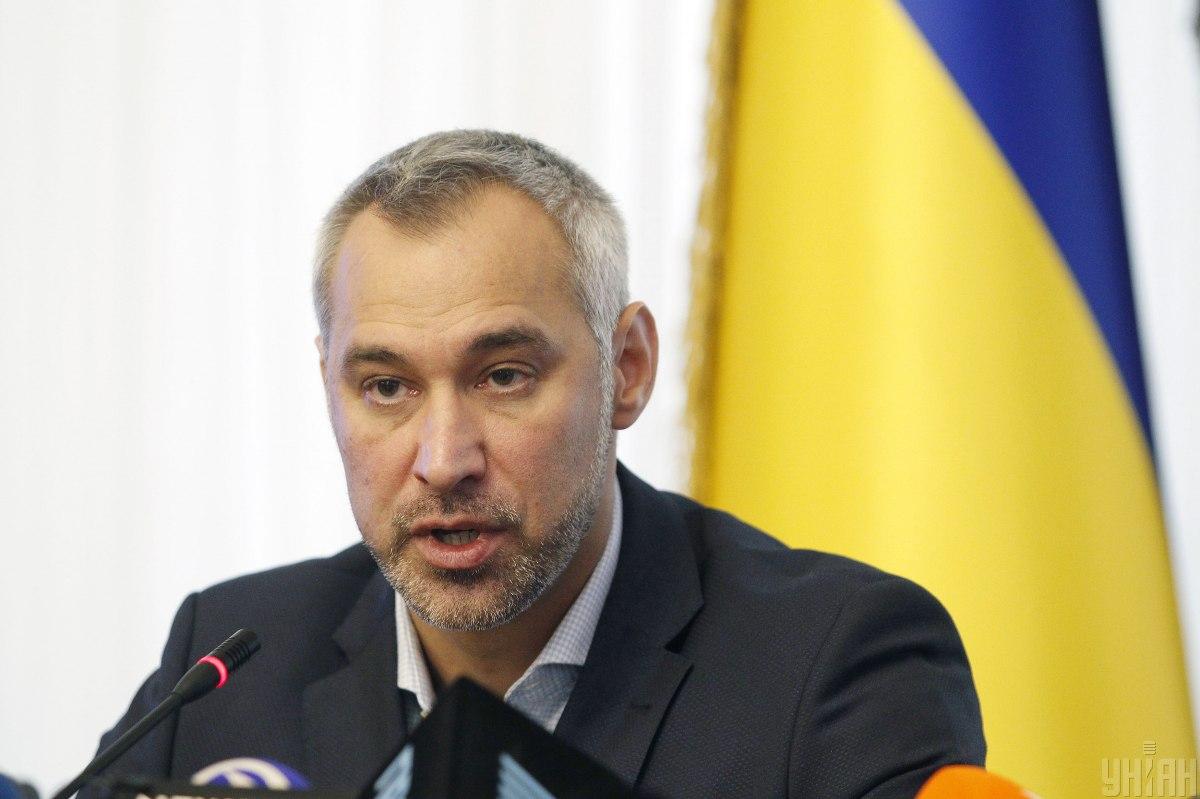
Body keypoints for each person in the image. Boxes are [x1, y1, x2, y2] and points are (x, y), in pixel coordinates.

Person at [88, 130, 985, 798]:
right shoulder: (228, 661)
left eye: (504, 375)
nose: (444, 460)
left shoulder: (833, 666)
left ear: (627, 367)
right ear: (328, 384)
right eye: (387, 387)